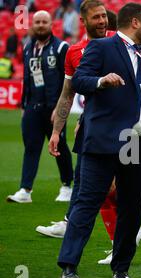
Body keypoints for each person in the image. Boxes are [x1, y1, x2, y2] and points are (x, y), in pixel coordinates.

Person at [37, 1, 141, 263]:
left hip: (139, 143)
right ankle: (69, 263)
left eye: (105, 15)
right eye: (96, 17)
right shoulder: (91, 49)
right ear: (84, 21)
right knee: (89, 198)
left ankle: (120, 259)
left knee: (129, 204)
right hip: (103, 137)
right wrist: (60, 128)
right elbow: (71, 90)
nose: (103, 20)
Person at [7, 10, 74, 204]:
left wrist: (61, 106)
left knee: (59, 146)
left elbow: (68, 79)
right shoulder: (28, 48)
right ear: (32, 25)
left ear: (51, 24)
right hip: (32, 108)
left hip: (54, 108)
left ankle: (66, 186)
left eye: (45, 22)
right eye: (37, 22)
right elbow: (27, 79)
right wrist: (23, 106)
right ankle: (25, 190)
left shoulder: (61, 47)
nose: (41, 25)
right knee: (31, 147)